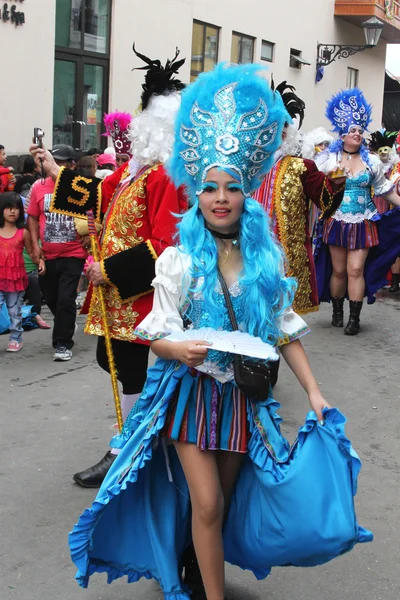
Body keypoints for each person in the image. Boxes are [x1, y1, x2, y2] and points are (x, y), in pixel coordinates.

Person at [67, 64, 372, 600]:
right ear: (198, 194)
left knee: (220, 503)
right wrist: (177, 348)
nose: (221, 197)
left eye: (231, 187)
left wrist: (316, 394)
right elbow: (154, 332)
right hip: (189, 394)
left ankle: (192, 557)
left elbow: (285, 331)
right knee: (206, 501)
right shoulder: (181, 260)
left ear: (245, 194)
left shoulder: (263, 260)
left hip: (243, 401)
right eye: (210, 187)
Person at [31, 46, 187, 487]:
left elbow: (167, 245)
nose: (135, 128)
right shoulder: (137, 171)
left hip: (141, 300)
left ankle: (131, 447)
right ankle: (143, 442)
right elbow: (98, 193)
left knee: (134, 370)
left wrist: (112, 270)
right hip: (116, 300)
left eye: (144, 121)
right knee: (116, 364)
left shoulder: (166, 177)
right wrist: (54, 169)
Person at [253, 82, 346, 316]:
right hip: (249, 253)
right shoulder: (247, 167)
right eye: (273, 125)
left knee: (281, 321)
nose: (280, 131)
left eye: (284, 125)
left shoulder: (301, 167)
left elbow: (324, 200)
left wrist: (334, 185)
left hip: (286, 258)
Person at [315, 89, 400, 335]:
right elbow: (318, 187)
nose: (358, 134)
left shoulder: (372, 163)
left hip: (364, 220)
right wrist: (334, 176)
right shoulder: (328, 159)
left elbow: (385, 190)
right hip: (337, 219)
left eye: (360, 131)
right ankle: (337, 312)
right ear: (342, 134)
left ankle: (354, 318)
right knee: (339, 270)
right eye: (353, 131)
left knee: (355, 269)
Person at [27, 144, 86, 360]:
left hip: (74, 252)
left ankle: (63, 343)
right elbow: (32, 217)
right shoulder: (38, 187)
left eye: (62, 162)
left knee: (66, 299)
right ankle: (66, 322)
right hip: (48, 254)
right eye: (54, 160)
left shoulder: (79, 187)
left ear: (73, 165)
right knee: (51, 296)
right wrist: (35, 247)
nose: (56, 166)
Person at [0, 192, 45, 351]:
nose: (12, 211)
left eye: (16, 208)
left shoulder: (23, 232)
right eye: (8, 208)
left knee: (14, 309)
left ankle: (15, 338)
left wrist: (40, 261)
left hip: (15, 277)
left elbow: (32, 252)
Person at [368, 130, 400, 292]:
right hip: (376, 207)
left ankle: (393, 280)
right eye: (381, 152)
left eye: (386, 151)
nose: (384, 155)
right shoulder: (376, 167)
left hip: (391, 209)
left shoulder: (394, 170)